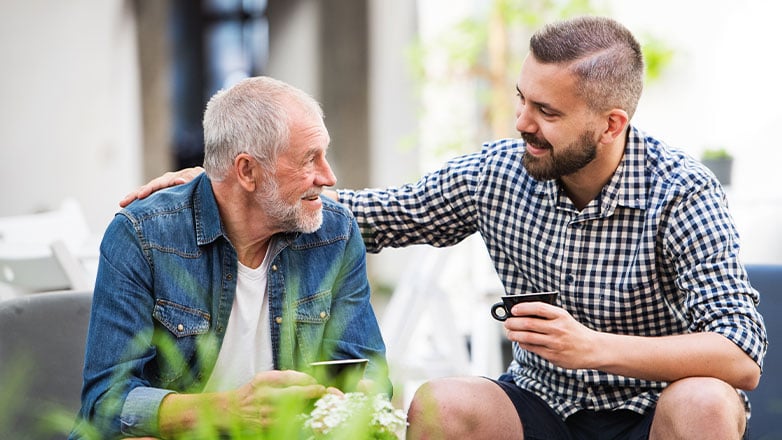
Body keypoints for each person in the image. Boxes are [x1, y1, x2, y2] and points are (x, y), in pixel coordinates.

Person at [121, 16, 767, 440]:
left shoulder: (682, 192)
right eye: (521, 97)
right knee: (441, 404)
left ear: (612, 124)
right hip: (542, 402)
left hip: (651, 410)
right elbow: (376, 213)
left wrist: (592, 346)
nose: (521, 122)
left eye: (546, 111)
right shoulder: (498, 173)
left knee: (707, 402)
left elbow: (740, 355)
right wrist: (244, 187)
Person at [72, 76, 390, 439]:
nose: (329, 176)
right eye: (309, 159)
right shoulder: (143, 235)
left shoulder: (334, 233)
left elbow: (371, 376)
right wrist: (229, 410)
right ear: (247, 171)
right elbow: (107, 403)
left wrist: (356, 397)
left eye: (324, 154)